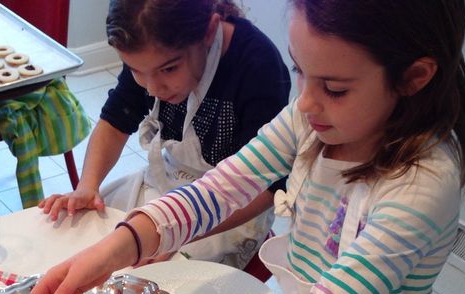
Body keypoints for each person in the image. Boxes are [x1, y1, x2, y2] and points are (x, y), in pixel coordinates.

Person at [30, 0, 465, 294]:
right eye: (299, 70)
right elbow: (217, 191)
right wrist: (115, 247)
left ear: (413, 77)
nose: (305, 101)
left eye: (335, 87)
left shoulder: (422, 188)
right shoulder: (312, 120)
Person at [39, 0, 291, 269]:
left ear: (209, 30)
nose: (153, 88)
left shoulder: (258, 64)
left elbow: (266, 185)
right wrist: (88, 186)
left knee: (158, 276)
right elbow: (114, 122)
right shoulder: (148, 51)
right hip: (167, 184)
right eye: (136, 71)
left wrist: (175, 232)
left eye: (169, 69)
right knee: (83, 244)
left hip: (233, 208)